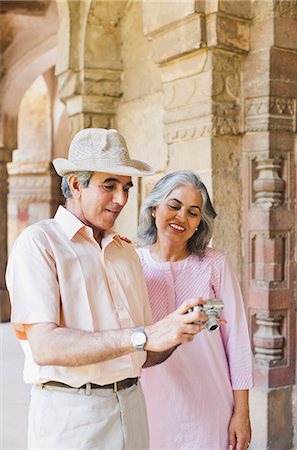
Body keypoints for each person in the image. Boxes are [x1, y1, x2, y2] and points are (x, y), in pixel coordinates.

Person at [6, 130, 209, 450]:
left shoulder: (126, 252)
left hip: (132, 407)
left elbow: (143, 354)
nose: (122, 199)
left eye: (126, 187)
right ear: (75, 184)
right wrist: (142, 335)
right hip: (71, 417)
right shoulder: (39, 244)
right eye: (109, 186)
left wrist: (177, 330)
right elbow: (45, 346)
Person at [137, 170, 254, 450]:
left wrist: (242, 412)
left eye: (193, 212)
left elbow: (236, 342)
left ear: (200, 222)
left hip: (211, 406)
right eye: (174, 206)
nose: (181, 218)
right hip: (149, 406)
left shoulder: (215, 265)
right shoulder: (133, 264)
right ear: (154, 208)